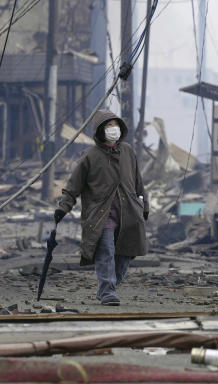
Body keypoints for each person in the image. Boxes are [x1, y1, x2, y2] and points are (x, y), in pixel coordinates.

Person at [54, 110, 148, 306]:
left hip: (128, 213)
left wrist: (144, 205)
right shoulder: (90, 156)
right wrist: (63, 207)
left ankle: (109, 286)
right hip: (100, 215)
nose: (112, 129)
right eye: (107, 126)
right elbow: (73, 186)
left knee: (125, 254)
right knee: (105, 251)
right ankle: (107, 292)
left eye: (114, 125)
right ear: (99, 130)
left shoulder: (128, 152)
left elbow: (138, 182)